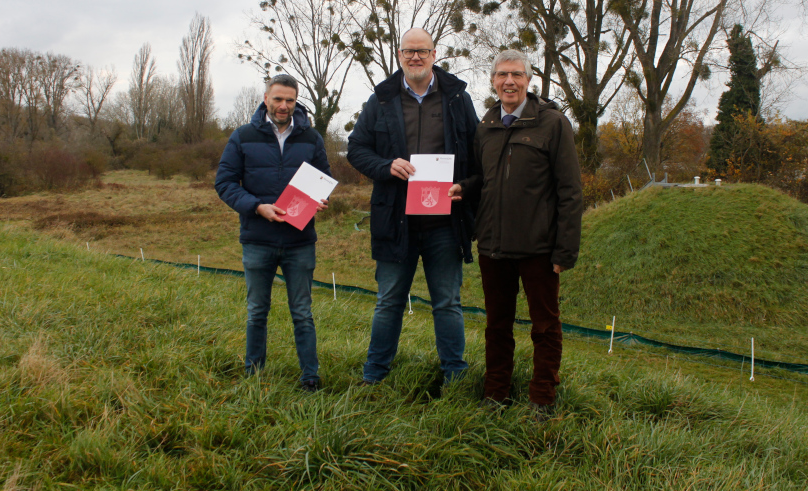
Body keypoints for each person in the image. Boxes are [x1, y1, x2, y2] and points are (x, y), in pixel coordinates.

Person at [449, 49, 584, 420]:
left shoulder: (553, 124)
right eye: (502, 75)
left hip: (539, 248)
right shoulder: (486, 126)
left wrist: (564, 251)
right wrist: (463, 187)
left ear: (529, 81)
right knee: (497, 326)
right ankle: (496, 393)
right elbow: (484, 179)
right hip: (493, 245)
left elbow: (570, 191)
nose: (509, 81)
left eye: (517, 75)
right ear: (493, 81)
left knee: (545, 326)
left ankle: (542, 397)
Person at [347, 27, 479, 386]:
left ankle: (454, 375)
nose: (415, 57)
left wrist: (465, 187)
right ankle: (374, 376)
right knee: (389, 301)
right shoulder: (382, 100)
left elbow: (479, 153)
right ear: (400, 56)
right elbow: (357, 149)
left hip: (445, 222)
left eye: (422, 51)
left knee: (447, 302)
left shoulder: (456, 98)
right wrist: (386, 166)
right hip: (396, 219)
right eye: (408, 52)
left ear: (435, 54)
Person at [215, 74, 330, 391]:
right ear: (265, 98)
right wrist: (256, 207)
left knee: (303, 313)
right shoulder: (242, 136)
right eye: (278, 99)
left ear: (296, 102)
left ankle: (310, 376)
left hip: (299, 242)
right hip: (258, 240)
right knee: (256, 312)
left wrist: (321, 199)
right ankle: (254, 373)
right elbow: (224, 184)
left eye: (290, 100)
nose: (283, 106)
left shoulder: (312, 139)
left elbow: (324, 181)